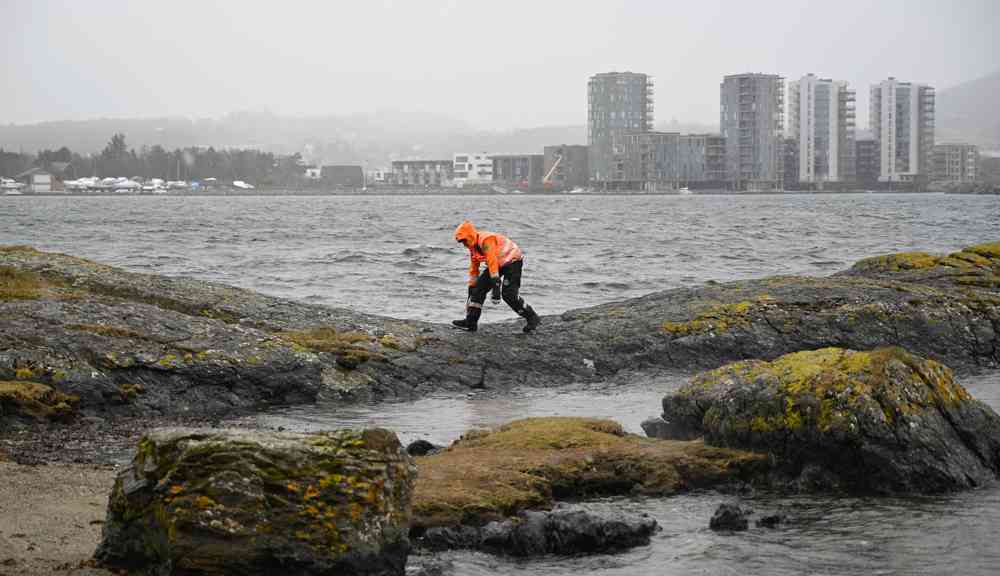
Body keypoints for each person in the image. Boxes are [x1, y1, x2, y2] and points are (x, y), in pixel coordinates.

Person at [452, 220, 541, 333]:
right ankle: (470, 322)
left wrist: (496, 286)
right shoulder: (473, 247)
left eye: (464, 241)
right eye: (461, 242)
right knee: (477, 290)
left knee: (509, 295)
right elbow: (474, 268)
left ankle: (532, 317)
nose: (464, 244)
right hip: (497, 264)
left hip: (512, 261)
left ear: (470, 236)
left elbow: (492, 260)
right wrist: (471, 286)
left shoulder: (486, 240)